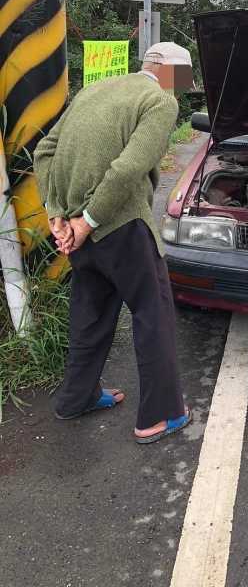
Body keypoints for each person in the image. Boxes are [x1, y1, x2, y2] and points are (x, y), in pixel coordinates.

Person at [34, 41, 195, 444]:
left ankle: (76, 399)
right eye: (184, 78)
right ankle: (160, 416)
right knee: (152, 313)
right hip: (119, 226)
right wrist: (86, 222)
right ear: (169, 71)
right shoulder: (160, 101)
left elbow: (44, 151)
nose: (184, 88)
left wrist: (59, 216)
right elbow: (128, 169)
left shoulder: (95, 89)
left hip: (76, 229)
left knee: (90, 313)